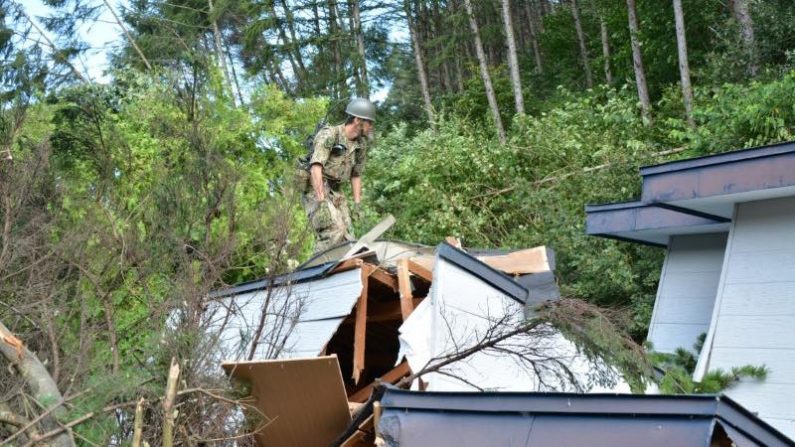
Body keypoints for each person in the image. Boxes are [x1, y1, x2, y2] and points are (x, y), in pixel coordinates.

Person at [298, 98, 375, 252]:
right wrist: (321, 202)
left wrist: (357, 204)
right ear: (358, 120)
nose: (371, 127)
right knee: (333, 231)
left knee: (348, 235)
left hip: (336, 191)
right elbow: (315, 168)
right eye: (369, 122)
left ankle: (341, 269)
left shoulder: (361, 145)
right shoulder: (330, 135)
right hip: (316, 188)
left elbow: (356, 175)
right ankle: (316, 269)